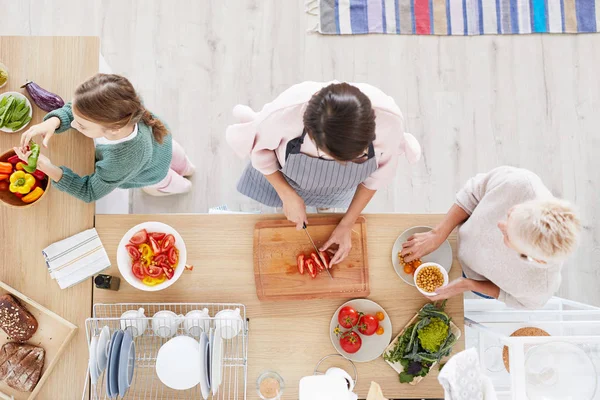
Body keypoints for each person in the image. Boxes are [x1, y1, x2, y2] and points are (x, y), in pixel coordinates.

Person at [227, 81, 421, 265]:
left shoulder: (390, 122)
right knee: (278, 213)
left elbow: (375, 179)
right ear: (311, 135)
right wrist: (287, 195)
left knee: (328, 210)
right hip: (286, 178)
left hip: (339, 188)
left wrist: (347, 224)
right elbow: (261, 154)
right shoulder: (283, 115)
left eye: (357, 158)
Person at [401, 166, 580, 309]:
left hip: (477, 279)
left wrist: (468, 285)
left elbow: (514, 300)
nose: (500, 225)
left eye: (508, 236)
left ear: (535, 260)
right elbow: (472, 193)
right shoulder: (521, 183)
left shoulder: (540, 288)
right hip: (455, 238)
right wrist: (438, 233)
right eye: (511, 214)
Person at [14, 73, 195, 202]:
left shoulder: (122, 161)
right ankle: (188, 167)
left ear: (114, 129)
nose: (75, 125)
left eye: (82, 126)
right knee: (182, 161)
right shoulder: (121, 100)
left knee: (176, 184)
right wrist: (53, 122)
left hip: (154, 172)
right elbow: (77, 108)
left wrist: (47, 167)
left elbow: (89, 191)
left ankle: (185, 185)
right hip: (164, 142)